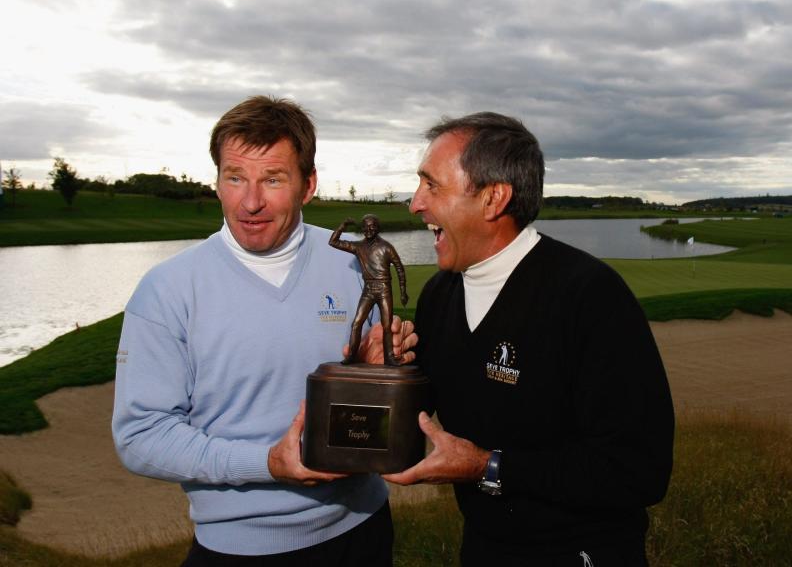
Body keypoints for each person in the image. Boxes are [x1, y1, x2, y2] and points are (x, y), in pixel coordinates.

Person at [112, 96, 415, 566]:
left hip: (363, 530)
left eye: (272, 179)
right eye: (235, 178)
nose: (250, 202)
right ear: (217, 182)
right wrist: (268, 464)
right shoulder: (166, 290)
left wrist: (374, 371)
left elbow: (368, 415)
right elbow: (140, 438)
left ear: (308, 185)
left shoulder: (351, 263)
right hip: (238, 551)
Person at [384, 112, 674, 566]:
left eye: (431, 185)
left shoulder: (590, 296)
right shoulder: (439, 294)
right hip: (483, 548)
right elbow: (428, 407)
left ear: (493, 198)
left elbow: (640, 471)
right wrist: (387, 368)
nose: (414, 203)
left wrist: (488, 467)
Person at [329, 214, 409, 365]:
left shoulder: (386, 247)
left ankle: (389, 357)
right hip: (368, 290)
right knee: (357, 323)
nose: (368, 229)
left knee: (387, 325)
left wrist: (403, 291)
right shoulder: (359, 246)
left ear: (377, 228)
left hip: (384, 288)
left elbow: (399, 268)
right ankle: (352, 355)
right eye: (365, 227)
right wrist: (343, 226)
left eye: (372, 226)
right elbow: (333, 242)